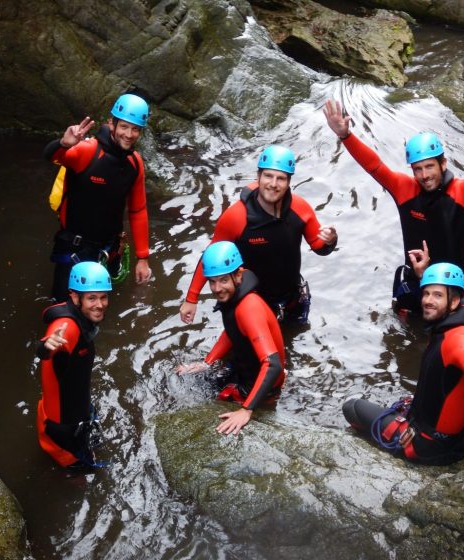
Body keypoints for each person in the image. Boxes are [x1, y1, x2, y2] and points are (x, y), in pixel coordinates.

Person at [323, 99, 464, 314]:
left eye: (430, 166)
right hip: (415, 277)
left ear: (443, 164)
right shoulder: (404, 188)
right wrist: (345, 136)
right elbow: (374, 166)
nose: (425, 175)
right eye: (418, 169)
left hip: (454, 281)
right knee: (403, 329)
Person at [342, 262, 464, 465]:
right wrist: (423, 275)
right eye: (426, 294)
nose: (428, 301)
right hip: (460, 438)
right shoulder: (463, 316)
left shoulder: (458, 338)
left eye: (437, 295)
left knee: (352, 408)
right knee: (410, 398)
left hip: (428, 447)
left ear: (454, 301)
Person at [179, 145, 338, 325]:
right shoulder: (236, 217)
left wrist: (330, 240)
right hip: (251, 304)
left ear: (288, 182)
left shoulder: (300, 209)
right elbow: (210, 256)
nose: (273, 184)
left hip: (292, 301)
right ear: (258, 176)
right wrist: (191, 299)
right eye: (268, 176)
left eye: (281, 179)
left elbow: (320, 248)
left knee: (292, 340)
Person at [44, 93, 152, 302]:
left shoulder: (135, 163)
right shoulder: (88, 151)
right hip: (76, 247)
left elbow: (137, 210)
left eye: (135, 129)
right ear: (112, 124)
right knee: (62, 306)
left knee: (103, 304)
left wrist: (143, 257)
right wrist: (64, 144)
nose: (129, 134)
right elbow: (51, 156)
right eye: (124, 127)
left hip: (110, 246)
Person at [176, 242, 286, 435]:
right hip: (243, 370)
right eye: (212, 281)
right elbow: (232, 331)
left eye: (223, 280)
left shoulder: (249, 308)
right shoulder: (236, 299)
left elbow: (273, 364)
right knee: (187, 378)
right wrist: (207, 362)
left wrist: (247, 410)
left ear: (238, 275)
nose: (217, 288)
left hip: (260, 388)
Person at [35, 261, 112, 468]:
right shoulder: (66, 326)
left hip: (75, 410)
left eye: (103, 297)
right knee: (80, 478)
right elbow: (47, 345)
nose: (100, 304)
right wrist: (47, 344)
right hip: (62, 429)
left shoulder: (81, 318)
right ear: (75, 296)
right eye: (92, 298)